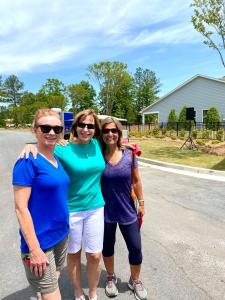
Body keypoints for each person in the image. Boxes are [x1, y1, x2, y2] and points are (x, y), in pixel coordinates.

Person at [20, 109, 105, 300]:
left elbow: (115, 145)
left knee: (95, 256)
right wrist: (29, 146)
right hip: (72, 209)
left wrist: (127, 146)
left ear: (95, 129)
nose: (86, 129)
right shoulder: (62, 147)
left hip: (96, 208)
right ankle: (77, 290)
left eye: (90, 126)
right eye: (81, 125)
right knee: (74, 253)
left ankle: (92, 293)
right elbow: (42, 147)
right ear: (74, 128)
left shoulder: (98, 145)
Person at [12, 109, 70, 300]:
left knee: (54, 278)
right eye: (45, 127)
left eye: (57, 128)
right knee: (51, 293)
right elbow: (21, 209)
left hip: (60, 234)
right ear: (35, 129)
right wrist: (34, 250)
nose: (52, 132)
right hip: (39, 242)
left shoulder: (56, 158)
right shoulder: (27, 162)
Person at [100, 117, 148, 300]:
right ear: (101, 134)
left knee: (135, 248)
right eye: (106, 131)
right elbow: (74, 144)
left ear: (119, 133)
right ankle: (110, 277)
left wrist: (141, 203)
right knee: (107, 247)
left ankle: (135, 280)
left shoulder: (129, 154)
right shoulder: (97, 154)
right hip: (105, 212)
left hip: (128, 210)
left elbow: (136, 180)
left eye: (114, 130)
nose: (110, 134)